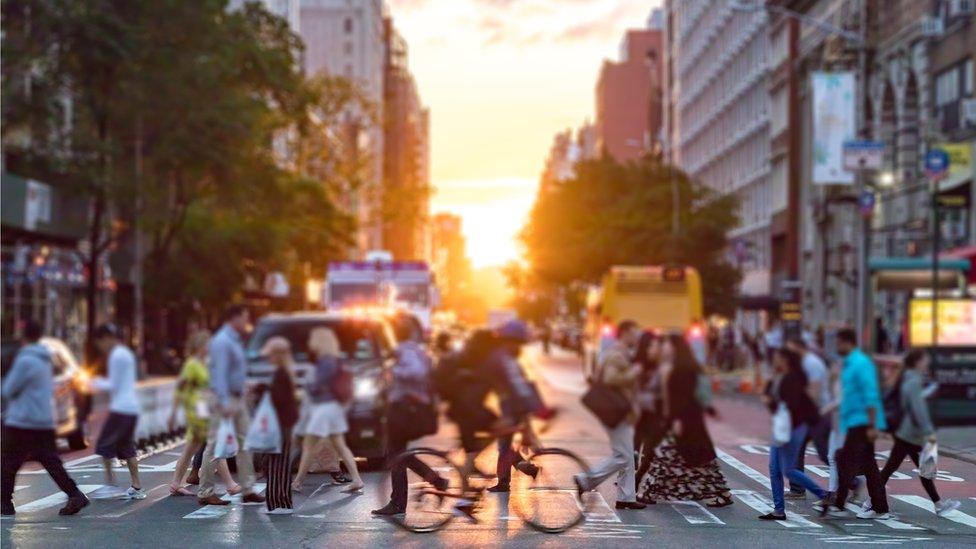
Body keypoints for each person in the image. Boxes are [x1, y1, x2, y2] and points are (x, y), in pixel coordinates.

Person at [1, 321, 89, 516]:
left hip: (23, 420)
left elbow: (9, 389)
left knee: (8, 460)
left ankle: (5, 503)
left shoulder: (24, 360)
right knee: (49, 460)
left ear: (23, 337)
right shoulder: (45, 359)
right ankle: (75, 494)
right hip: (43, 419)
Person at [638, 333, 733, 507]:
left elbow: (685, 396)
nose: (664, 347)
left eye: (667, 344)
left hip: (685, 420)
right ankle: (723, 493)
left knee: (667, 455)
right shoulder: (680, 366)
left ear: (675, 348)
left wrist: (678, 419)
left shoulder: (682, 368)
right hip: (685, 419)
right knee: (696, 459)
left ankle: (649, 493)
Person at [372, 320, 446, 516]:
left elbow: (416, 372)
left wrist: (393, 371)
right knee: (398, 453)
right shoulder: (416, 349)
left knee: (396, 455)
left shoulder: (405, 351)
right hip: (410, 409)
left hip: (404, 410)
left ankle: (398, 503)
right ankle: (436, 481)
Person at [197, 305, 264, 506]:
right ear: (234, 318)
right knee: (215, 444)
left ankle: (247, 488)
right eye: (245, 317)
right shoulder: (222, 341)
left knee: (246, 442)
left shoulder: (235, 340)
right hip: (223, 398)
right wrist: (224, 401)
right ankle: (205, 491)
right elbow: (219, 373)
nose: (247, 322)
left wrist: (244, 386)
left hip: (238, 397)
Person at [575, 320, 646, 510]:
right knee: (622, 456)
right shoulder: (617, 354)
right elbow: (610, 379)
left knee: (628, 455)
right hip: (617, 410)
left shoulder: (618, 352)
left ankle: (626, 497)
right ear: (624, 333)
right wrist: (634, 373)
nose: (636, 337)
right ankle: (585, 480)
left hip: (621, 410)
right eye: (634, 332)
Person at [879, 349, 960, 516]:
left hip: (909, 432)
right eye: (925, 360)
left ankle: (938, 504)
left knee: (912, 468)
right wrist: (929, 432)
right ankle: (873, 501)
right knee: (920, 468)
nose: (927, 363)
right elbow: (917, 409)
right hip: (913, 433)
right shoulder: (913, 380)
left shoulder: (909, 377)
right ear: (917, 362)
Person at [821, 328, 889, 519]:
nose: (836, 347)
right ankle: (880, 507)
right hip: (853, 420)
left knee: (845, 460)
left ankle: (839, 504)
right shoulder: (849, 364)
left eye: (838, 343)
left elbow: (870, 394)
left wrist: (873, 425)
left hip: (862, 421)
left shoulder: (860, 363)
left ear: (847, 342)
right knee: (868, 466)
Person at [291, 327, 363, 493]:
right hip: (334, 408)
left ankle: (297, 482)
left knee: (309, 446)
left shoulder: (325, 362)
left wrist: (305, 387)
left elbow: (316, 387)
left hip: (324, 409)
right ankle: (357, 479)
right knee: (340, 445)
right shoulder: (335, 360)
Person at [759, 348, 828, 520]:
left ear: (785, 360)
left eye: (777, 358)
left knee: (788, 469)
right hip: (784, 426)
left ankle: (824, 495)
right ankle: (779, 510)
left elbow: (790, 405)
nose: (774, 361)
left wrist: (771, 401)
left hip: (792, 427)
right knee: (775, 469)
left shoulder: (792, 379)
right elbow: (771, 399)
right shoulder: (780, 377)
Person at [167, 330, 238, 496]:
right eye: (208, 344)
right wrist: (173, 413)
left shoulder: (204, 363)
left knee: (191, 448)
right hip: (197, 409)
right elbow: (180, 388)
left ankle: (176, 483)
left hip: (204, 407)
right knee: (214, 444)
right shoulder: (192, 365)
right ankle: (230, 484)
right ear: (200, 346)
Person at [485, 320, 544, 493]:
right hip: (514, 407)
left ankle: (505, 481)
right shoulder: (509, 358)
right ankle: (527, 469)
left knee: (503, 446)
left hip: (512, 408)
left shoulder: (505, 358)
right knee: (505, 445)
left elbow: (517, 386)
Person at [88, 324, 145, 500]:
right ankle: (137, 487)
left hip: (120, 409)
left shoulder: (116, 356)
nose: (100, 347)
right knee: (127, 448)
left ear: (106, 338)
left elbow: (114, 384)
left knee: (104, 446)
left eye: (99, 343)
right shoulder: (125, 353)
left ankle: (111, 485)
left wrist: (94, 383)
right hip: (130, 409)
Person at [257, 337, 300, 514]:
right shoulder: (285, 371)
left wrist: (262, 391)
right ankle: (283, 502)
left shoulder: (281, 373)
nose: (269, 358)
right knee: (280, 461)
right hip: (286, 422)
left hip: (280, 423)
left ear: (278, 355)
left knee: (277, 463)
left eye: (271, 355)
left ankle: (277, 502)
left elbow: (279, 399)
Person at [784, 337, 831, 499]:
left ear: (799, 348)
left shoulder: (811, 363)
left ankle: (852, 482)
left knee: (824, 453)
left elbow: (815, 391)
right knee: (796, 449)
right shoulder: (802, 364)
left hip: (817, 414)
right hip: (807, 414)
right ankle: (797, 488)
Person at [633, 331, 665, 485]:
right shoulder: (640, 364)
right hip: (643, 413)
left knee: (650, 449)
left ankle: (637, 477)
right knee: (636, 446)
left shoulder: (661, 365)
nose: (652, 349)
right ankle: (632, 477)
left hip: (656, 414)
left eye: (655, 346)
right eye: (651, 345)